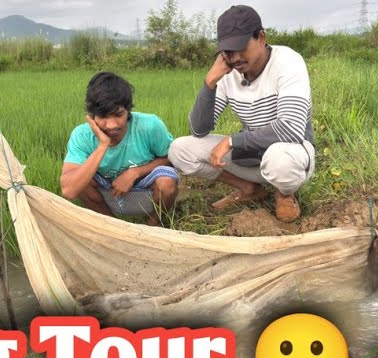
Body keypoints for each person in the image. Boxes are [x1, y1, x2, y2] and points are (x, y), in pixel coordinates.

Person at [168, 5, 314, 222]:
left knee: (279, 159)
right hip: (253, 154)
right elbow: (199, 129)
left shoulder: (288, 62)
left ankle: (284, 193)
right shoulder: (229, 74)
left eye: (240, 47)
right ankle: (249, 188)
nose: (234, 57)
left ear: (261, 37)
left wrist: (231, 141)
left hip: (291, 154)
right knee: (180, 150)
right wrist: (209, 83)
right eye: (227, 51)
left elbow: (291, 129)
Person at [60, 71, 179, 226]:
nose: (112, 125)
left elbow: (172, 159)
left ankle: (152, 225)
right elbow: (69, 190)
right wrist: (103, 145)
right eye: (103, 117)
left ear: (127, 110)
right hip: (107, 187)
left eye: (118, 115)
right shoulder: (81, 135)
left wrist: (134, 173)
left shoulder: (149, 126)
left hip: (144, 185)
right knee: (81, 180)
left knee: (167, 181)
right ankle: (114, 226)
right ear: (91, 115)